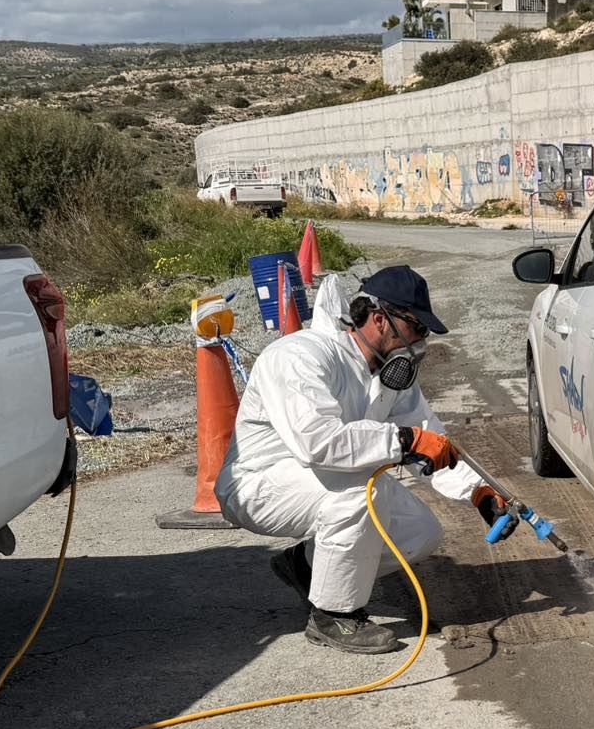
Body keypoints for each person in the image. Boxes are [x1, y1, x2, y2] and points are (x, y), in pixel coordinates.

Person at [216, 264, 509, 652]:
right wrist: (403, 439)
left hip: (324, 481)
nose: (419, 340)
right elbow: (318, 443)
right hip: (258, 485)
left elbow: (429, 437)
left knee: (420, 531)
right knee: (362, 493)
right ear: (379, 319)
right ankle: (333, 616)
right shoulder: (300, 356)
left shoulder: (389, 374)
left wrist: (477, 491)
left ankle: (306, 566)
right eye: (416, 327)